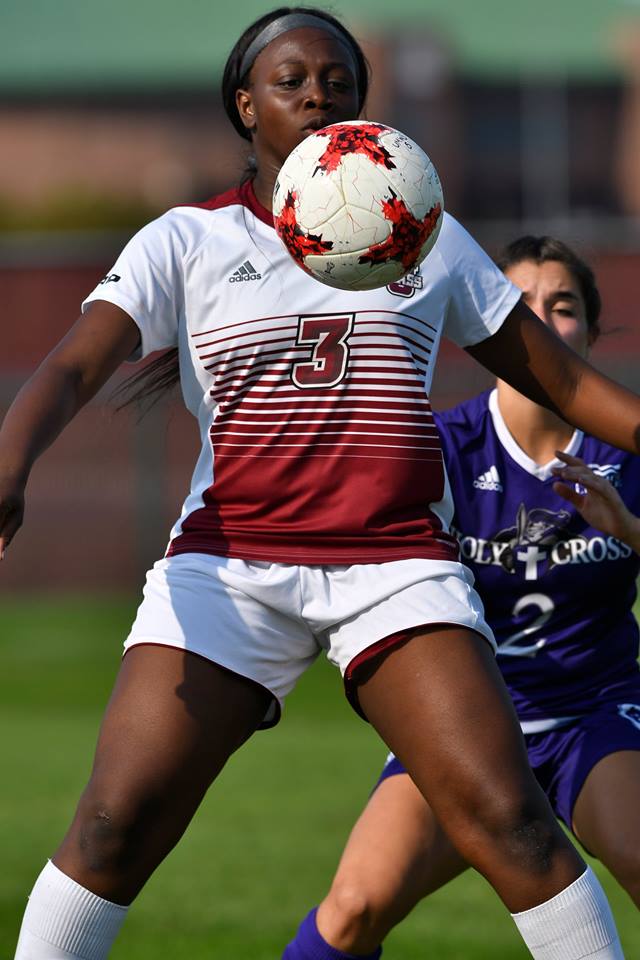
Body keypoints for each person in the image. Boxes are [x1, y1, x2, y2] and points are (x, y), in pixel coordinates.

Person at [0, 7, 637, 957]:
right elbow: (71, 367)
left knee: (510, 821)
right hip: (229, 567)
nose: (316, 94)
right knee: (113, 823)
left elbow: (567, 379)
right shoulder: (187, 239)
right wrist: (11, 462)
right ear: (246, 106)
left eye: (338, 81)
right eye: (292, 80)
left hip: (394, 565)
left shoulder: (424, 233)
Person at [283, 236, 640, 960]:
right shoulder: (442, 444)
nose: (542, 321)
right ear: (488, 327)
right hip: (466, 722)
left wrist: (629, 528)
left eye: (563, 307)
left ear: (592, 334)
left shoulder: (626, 447)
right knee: (352, 910)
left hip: (594, 713)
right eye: (522, 307)